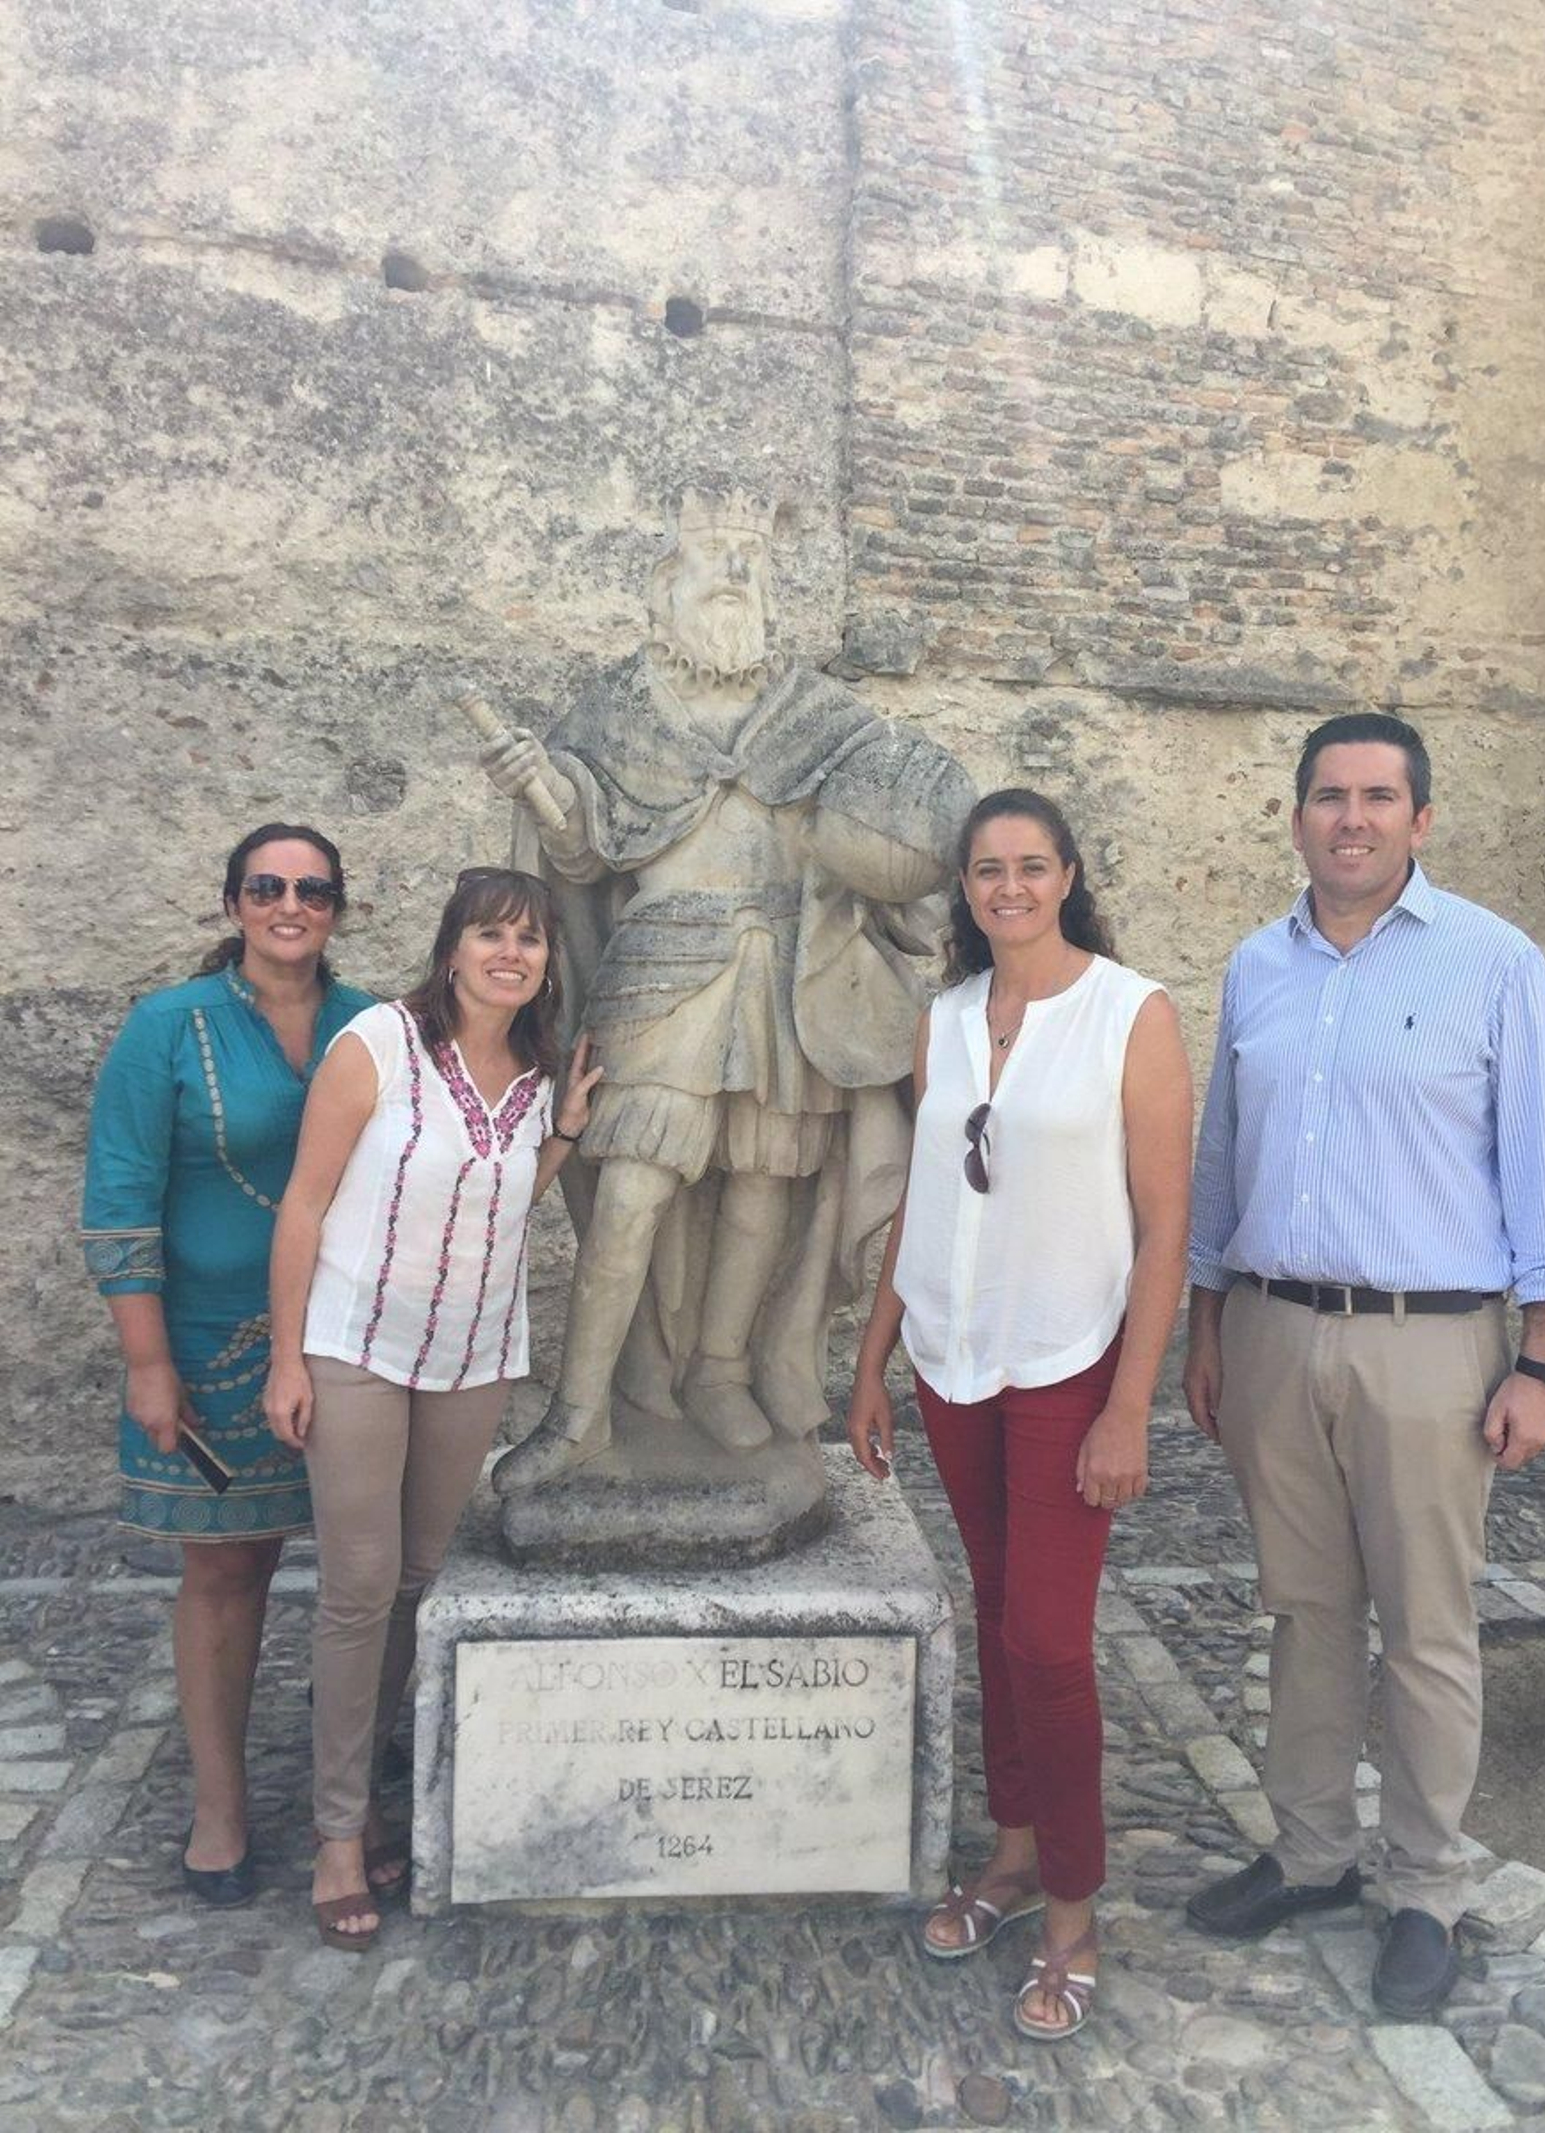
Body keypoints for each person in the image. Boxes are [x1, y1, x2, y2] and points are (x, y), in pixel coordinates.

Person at [1183, 712, 1545, 2019]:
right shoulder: (1258, 967)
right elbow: (1220, 1162)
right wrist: (1207, 1330)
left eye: (1378, 797)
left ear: (1421, 820)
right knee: (1305, 1612)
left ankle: (1424, 1887)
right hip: (1273, 1328)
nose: (1350, 818)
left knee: (1426, 1627)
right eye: (1328, 796)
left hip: (1433, 1343)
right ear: (1297, 815)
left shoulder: (1493, 965)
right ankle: (1310, 1854)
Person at [477, 490, 973, 1494]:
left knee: (764, 1188)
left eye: (752, 567)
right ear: (666, 589)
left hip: (789, 980)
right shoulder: (616, 713)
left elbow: (896, 819)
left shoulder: (816, 714)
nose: (736, 584)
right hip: (662, 968)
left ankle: (720, 1371)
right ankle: (581, 1416)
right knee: (631, 1190)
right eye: (716, 565)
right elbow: (579, 854)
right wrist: (542, 784)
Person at [847, 789, 1192, 2042]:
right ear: (965, 885)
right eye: (986, 870)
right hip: (951, 1363)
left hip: (1065, 1365)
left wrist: (1130, 1408)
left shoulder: (1129, 1014)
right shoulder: (943, 1019)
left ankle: (1072, 1908)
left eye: (1029, 867)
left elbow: (1164, 1228)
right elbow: (922, 1202)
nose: (1007, 888)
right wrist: (873, 1356)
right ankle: (1007, 1853)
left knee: (1047, 1639)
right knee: (993, 1618)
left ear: (1067, 875)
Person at [264, 867, 601, 1951]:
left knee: (418, 1577)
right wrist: (287, 1360)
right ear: (450, 948)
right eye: (492, 935)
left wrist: (563, 1134)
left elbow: (504, 1202)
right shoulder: (376, 1046)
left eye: (531, 941)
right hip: (358, 1346)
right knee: (359, 1588)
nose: (512, 954)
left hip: (472, 1358)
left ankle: (376, 1786)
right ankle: (335, 1835)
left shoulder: (540, 1071)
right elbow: (305, 1205)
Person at [82, 824, 370, 1905]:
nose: (288, 904)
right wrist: (146, 1362)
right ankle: (221, 1805)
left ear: (338, 908)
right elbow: (118, 1201)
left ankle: (349, 1798)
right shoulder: (166, 1027)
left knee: (362, 1575)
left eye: (311, 888)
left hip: (348, 1343)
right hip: (206, 1347)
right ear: (233, 903)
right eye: (266, 886)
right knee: (225, 1568)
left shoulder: (374, 1024)